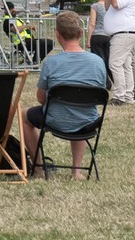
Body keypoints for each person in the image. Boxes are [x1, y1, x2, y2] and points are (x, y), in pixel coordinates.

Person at [21, 10, 108, 179]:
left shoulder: (51, 63)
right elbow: (101, 92)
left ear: (57, 34)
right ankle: (76, 170)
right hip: (87, 122)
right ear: (81, 33)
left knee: (23, 115)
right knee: (80, 109)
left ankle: (38, 168)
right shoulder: (98, 62)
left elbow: (41, 98)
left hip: (54, 119)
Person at [100, 0, 135, 104]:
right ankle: (128, 95)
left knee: (115, 64)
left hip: (123, 33)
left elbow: (116, 5)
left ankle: (119, 96)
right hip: (122, 33)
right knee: (125, 65)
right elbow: (107, 5)